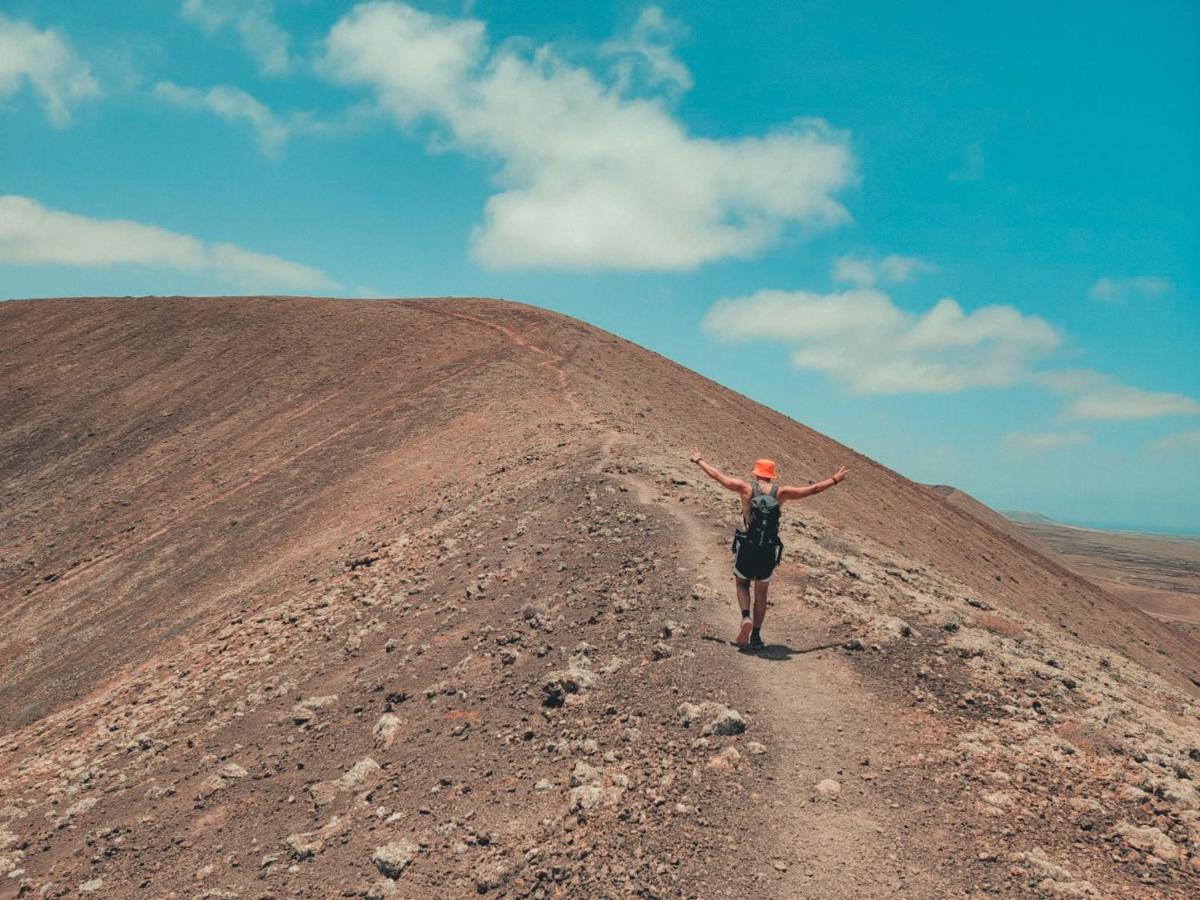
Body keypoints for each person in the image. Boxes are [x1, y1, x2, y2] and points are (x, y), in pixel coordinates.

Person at [689, 451, 849, 650]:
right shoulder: (781, 493)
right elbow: (813, 489)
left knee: (742, 583)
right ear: (772, 475)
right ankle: (756, 636)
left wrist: (699, 460)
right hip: (768, 549)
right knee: (762, 592)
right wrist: (835, 479)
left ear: (756, 473)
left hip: (748, 544)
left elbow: (718, 476)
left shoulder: (745, 488)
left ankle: (745, 617)